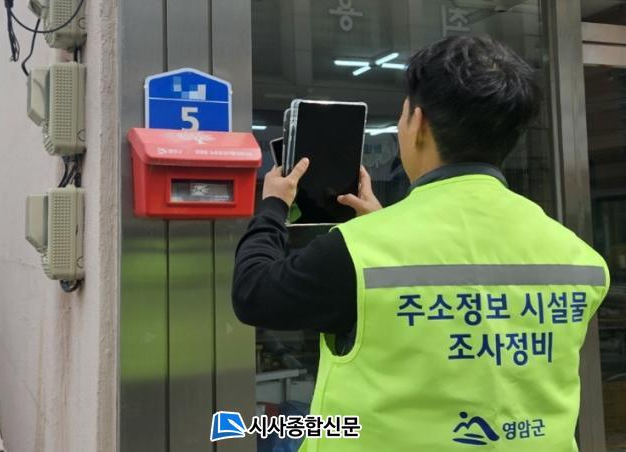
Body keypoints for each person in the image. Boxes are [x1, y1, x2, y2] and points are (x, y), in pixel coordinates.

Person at [232, 34, 610, 451]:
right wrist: (383, 225)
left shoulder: (356, 252)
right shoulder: (580, 258)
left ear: (418, 123)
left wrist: (273, 206)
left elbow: (254, 293)